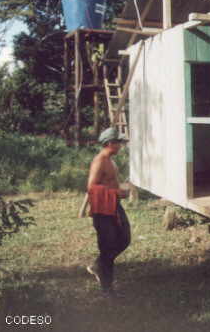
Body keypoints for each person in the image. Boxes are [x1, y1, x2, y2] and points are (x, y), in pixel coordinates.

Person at [86, 127, 131, 297]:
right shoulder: (100, 161)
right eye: (119, 142)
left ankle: (99, 265)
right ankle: (107, 289)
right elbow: (91, 187)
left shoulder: (110, 160)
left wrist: (118, 192)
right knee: (108, 246)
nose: (121, 145)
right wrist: (115, 193)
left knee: (125, 238)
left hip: (113, 206)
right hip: (102, 210)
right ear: (110, 143)